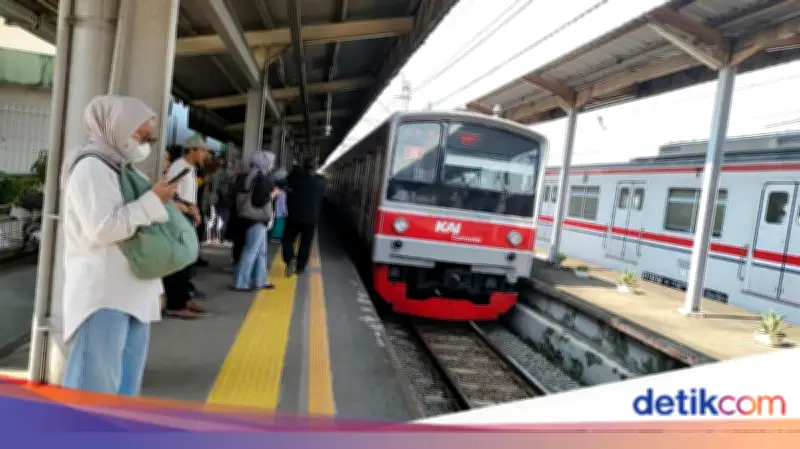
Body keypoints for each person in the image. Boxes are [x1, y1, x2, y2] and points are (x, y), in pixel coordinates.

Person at [60, 95, 177, 395]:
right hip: (104, 295)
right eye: (140, 136)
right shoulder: (90, 168)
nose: (144, 145)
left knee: (124, 387)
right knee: (93, 389)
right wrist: (153, 200)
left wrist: (154, 288)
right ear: (116, 126)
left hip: (133, 293)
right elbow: (103, 228)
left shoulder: (121, 168)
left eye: (148, 139)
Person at [162, 135, 209, 318]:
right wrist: (188, 208)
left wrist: (194, 209)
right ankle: (175, 304)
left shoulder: (191, 168)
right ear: (192, 150)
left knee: (187, 260)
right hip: (178, 218)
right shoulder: (179, 167)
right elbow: (169, 194)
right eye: (202, 150)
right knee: (179, 260)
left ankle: (184, 298)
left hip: (188, 215)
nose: (204, 154)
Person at [233, 151, 279, 291]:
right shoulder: (261, 178)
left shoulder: (243, 176)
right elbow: (260, 200)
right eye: (270, 162)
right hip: (257, 219)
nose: (271, 165)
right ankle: (240, 283)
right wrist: (273, 194)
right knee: (251, 251)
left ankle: (259, 280)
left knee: (260, 252)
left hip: (245, 217)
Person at [282, 155, 327, 276]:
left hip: (294, 216)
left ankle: (290, 259)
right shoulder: (321, 181)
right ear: (316, 167)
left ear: (303, 165)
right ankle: (300, 267)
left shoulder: (295, 178)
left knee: (288, 239)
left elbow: (286, 182)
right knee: (306, 243)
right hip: (311, 218)